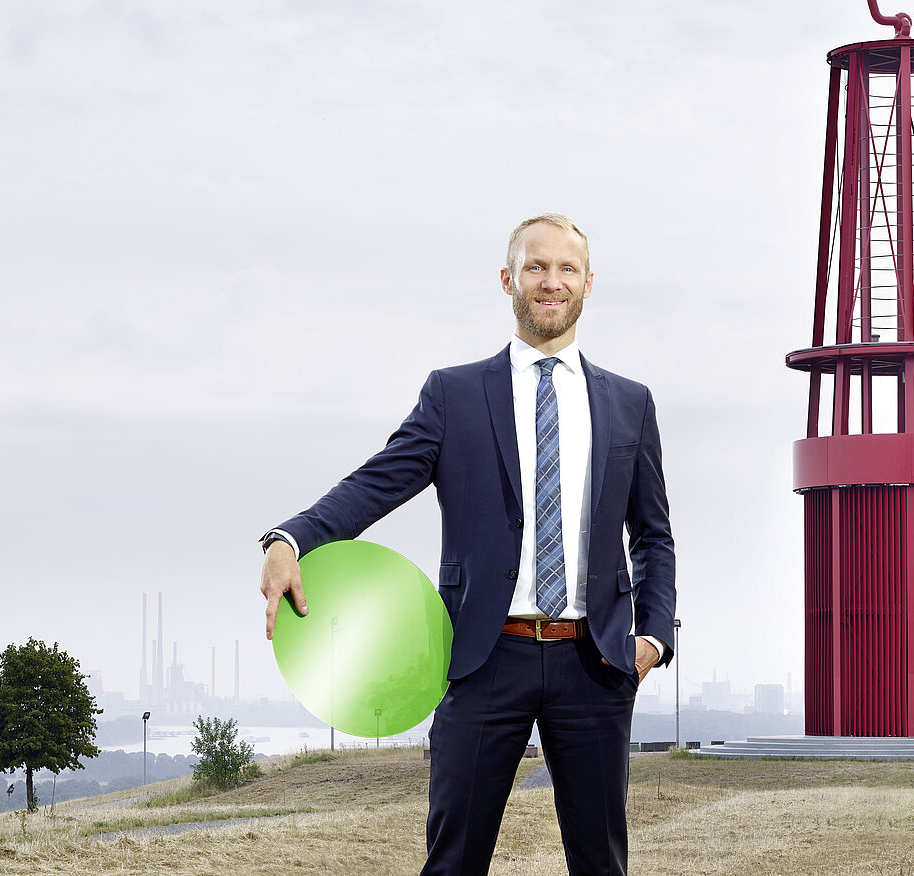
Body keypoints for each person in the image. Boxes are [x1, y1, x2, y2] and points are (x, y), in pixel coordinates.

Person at [258, 213, 675, 876]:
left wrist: (652, 637)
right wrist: (291, 538)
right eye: (536, 266)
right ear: (508, 279)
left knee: (601, 865)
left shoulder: (629, 403)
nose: (551, 281)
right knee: (452, 863)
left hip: (594, 666)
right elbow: (376, 483)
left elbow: (652, 533)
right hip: (483, 660)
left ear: (589, 284)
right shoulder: (453, 394)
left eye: (567, 269)